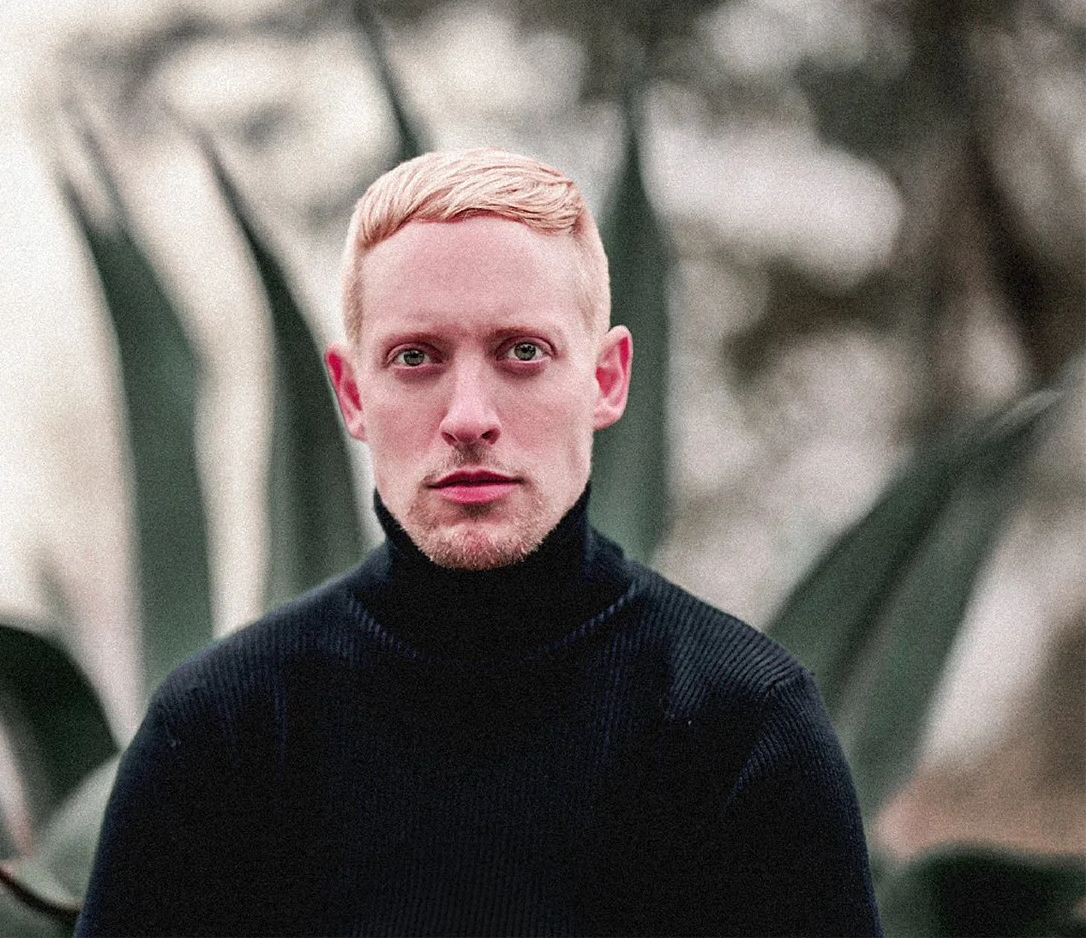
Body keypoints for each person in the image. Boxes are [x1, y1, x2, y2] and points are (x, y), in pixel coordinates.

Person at [76, 149, 882, 936]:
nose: (468, 416)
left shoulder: (741, 728)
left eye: (521, 352)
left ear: (605, 378)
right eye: (415, 358)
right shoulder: (220, 735)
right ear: (353, 394)